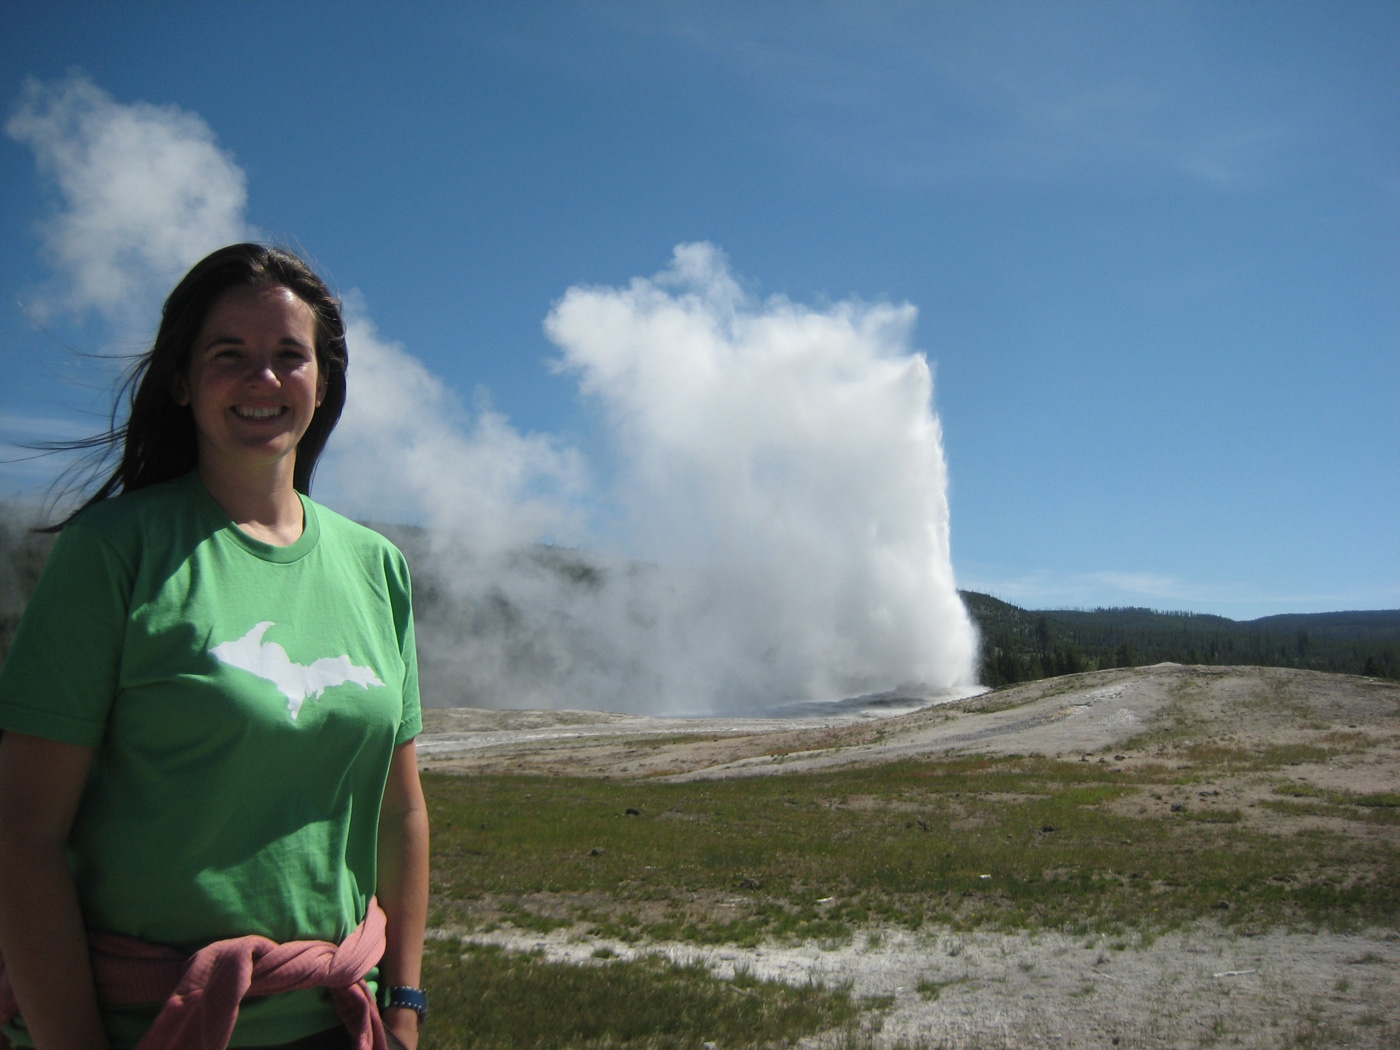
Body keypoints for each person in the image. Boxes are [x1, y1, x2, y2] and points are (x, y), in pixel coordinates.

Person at [0, 244, 428, 1050]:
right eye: (228, 355)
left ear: (323, 379)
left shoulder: (377, 567)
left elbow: (400, 810)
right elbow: (22, 837)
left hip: (335, 1019)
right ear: (181, 379)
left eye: (287, 356)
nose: (262, 379)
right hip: (148, 1024)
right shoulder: (113, 552)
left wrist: (403, 1007)